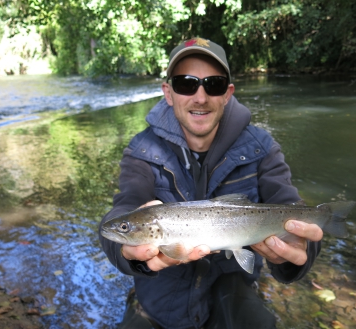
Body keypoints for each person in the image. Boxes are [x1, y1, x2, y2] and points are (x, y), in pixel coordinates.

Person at [99, 37, 323, 329]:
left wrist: (302, 252)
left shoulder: (262, 147)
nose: (200, 97)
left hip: (231, 288)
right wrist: (126, 252)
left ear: (227, 93)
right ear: (168, 92)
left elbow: (293, 207)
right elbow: (123, 210)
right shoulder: (142, 150)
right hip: (161, 300)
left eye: (213, 84)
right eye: (186, 83)